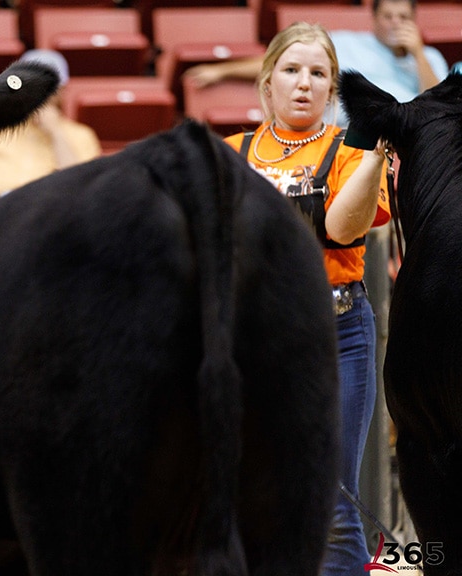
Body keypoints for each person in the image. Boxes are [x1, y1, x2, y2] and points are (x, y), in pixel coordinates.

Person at [222, 22, 390, 576]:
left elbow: (343, 230)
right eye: (291, 70)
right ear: (268, 81)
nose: (304, 84)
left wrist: (370, 155)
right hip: (249, 337)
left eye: (319, 74)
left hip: (336, 333)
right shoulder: (230, 155)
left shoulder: (349, 154)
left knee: (335, 498)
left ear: (333, 88)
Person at [184, 0, 449, 125]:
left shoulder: (430, 57)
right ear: (374, 18)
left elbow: (439, 104)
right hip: (351, 134)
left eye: (403, 17)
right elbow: (285, 59)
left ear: (414, 20)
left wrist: (417, 53)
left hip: (409, 136)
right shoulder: (345, 43)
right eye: (388, 16)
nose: (395, 24)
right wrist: (220, 71)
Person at [0, 49, 101, 196]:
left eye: (50, 87)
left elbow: (81, 188)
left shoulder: (81, 135)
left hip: (46, 212)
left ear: (63, 91)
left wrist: (56, 133)